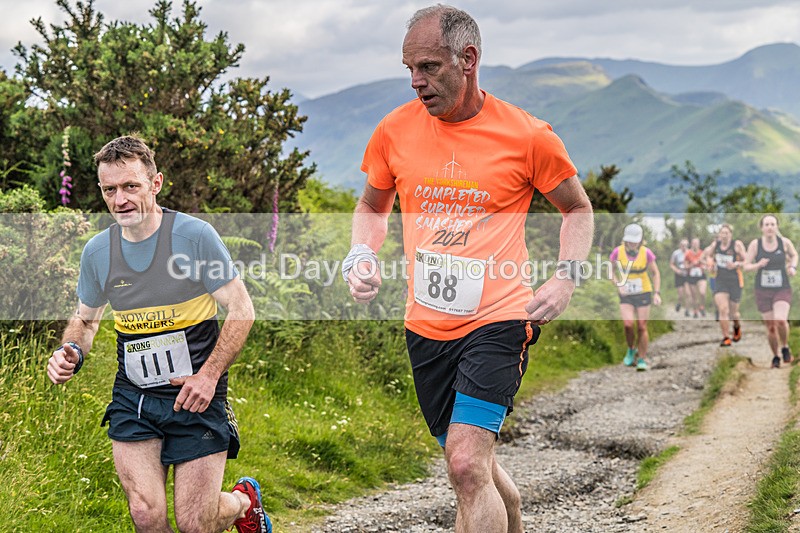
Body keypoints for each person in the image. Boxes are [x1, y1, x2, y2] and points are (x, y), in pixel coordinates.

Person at [341, 6, 593, 532]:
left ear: (469, 59)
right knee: (471, 464)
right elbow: (371, 206)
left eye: (429, 67)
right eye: (409, 68)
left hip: (499, 319)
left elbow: (578, 208)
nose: (417, 82)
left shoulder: (527, 136)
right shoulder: (394, 130)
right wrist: (361, 254)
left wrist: (566, 275)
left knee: (464, 463)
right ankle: (512, 513)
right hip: (426, 325)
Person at [46, 136, 270, 533]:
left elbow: (242, 309)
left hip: (195, 394)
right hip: (134, 396)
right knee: (147, 516)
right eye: (109, 190)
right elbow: (87, 319)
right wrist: (71, 351)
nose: (120, 200)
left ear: (156, 183)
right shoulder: (98, 252)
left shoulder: (193, 237)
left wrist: (209, 375)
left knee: (194, 523)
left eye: (131, 186)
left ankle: (241, 502)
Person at [743, 214, 799, 368]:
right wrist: (758, 264)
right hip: (762, 290)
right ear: (761, 228)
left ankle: (785, 346)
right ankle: (775, 356)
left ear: (777, 227)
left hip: (782, 288)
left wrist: (792, 267)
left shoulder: (784, 242)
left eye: (772, 224)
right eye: (766, 224)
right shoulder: (756, 245)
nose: (769, 227)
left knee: (780, 320)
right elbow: (746, 266)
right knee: (771, 326)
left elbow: (794, 255)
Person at [610, 224, 661, 371]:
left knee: (641, 326)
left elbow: (655, 273)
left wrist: (657, 293)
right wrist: (618, 284)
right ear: (625, 240)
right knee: (628, 324)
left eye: (635, 241)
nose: (632, 243)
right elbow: (611, 271)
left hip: (643, 292)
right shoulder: (617, 252)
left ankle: (642, 359)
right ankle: (631, 348)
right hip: (626, 293)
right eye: (630, 241)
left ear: (640, 240)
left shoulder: (647, 253)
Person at [701, 224, 746, 346]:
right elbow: (705, 256)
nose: (724, 235)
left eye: (727, 233)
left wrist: (736, 264)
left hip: (735, 280)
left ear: (731, 234)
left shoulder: (737, 245)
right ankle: (726, 337)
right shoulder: (715, 245)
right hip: (720, 280)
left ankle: (736, 327)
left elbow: (746, 260)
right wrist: (709, 263)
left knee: (733, 313)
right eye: (722, 233)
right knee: (723, 309)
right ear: (719, 235)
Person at [684, 237, 708, 318]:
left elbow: (707, 263)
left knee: (702, 293)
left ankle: (702, 306)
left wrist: (703, 265)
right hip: (692, 276)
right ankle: (695, 311)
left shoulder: (702, 253)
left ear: (699, 244)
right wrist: (692, 265)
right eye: (694, 243)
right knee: (694, 295)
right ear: (691, 244)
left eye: (697, 243)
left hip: (701, 275)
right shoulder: (688, 254)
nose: (695, 245)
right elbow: (685, 266)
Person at [669, 239, 690, 315]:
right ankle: (679, 303)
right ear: (680, 245)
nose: (684, 247)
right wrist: (677, 270)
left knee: (688, 293)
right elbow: (671, 264)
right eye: (682, 245)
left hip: (687, 275)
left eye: (686, 245)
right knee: (681, 294)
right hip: (679, 275)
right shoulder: (676, 253)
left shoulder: (689, 253)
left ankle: (687, 310)